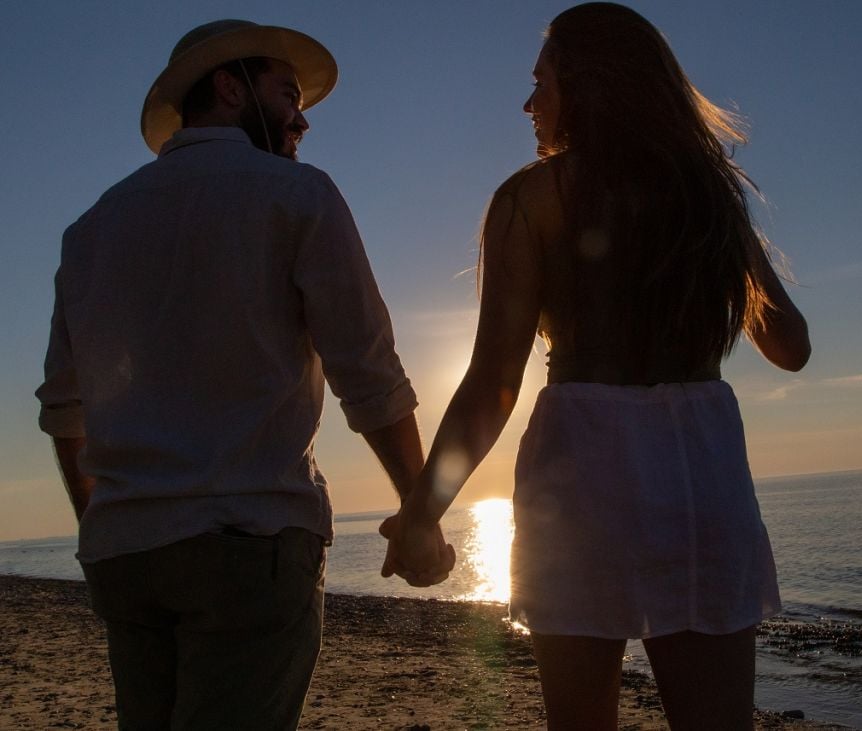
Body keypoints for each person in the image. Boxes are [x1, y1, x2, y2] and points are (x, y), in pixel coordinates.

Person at [382, 3, 810, 729]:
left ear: (584, 86)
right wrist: (724, 241)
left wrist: (422, 512)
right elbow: (790, 347)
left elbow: (495, 382)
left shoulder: (531, 200)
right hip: (698, 467)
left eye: (540, 82)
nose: (528, 103)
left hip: (582, 472)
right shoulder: (707, 192)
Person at [36, 19, 452, 731]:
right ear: (229, 88)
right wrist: (418, 512)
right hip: (249, 542)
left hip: (126, 556)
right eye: (287, 93)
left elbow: (65, 407)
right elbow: (369, 373)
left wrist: (102, 523)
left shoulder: (92, 229)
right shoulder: (296, 195)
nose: (302, 119)